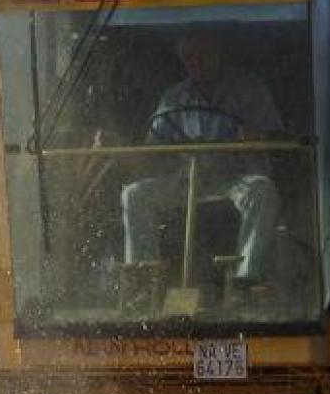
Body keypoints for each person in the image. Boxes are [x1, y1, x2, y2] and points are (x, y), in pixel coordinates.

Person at [120, 34, 283, 284]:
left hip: (234, 177)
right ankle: (142, 281)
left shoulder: (250, 89)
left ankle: (246, 280)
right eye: (189, 57)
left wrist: (257, 135)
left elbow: (277, 137)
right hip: (186, 179)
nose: (197, 62)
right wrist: (118, 143)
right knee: (134, 194)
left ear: (218, 53)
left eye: (203, 55)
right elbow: (153, 148)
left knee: (262, 190)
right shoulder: (173, 98)